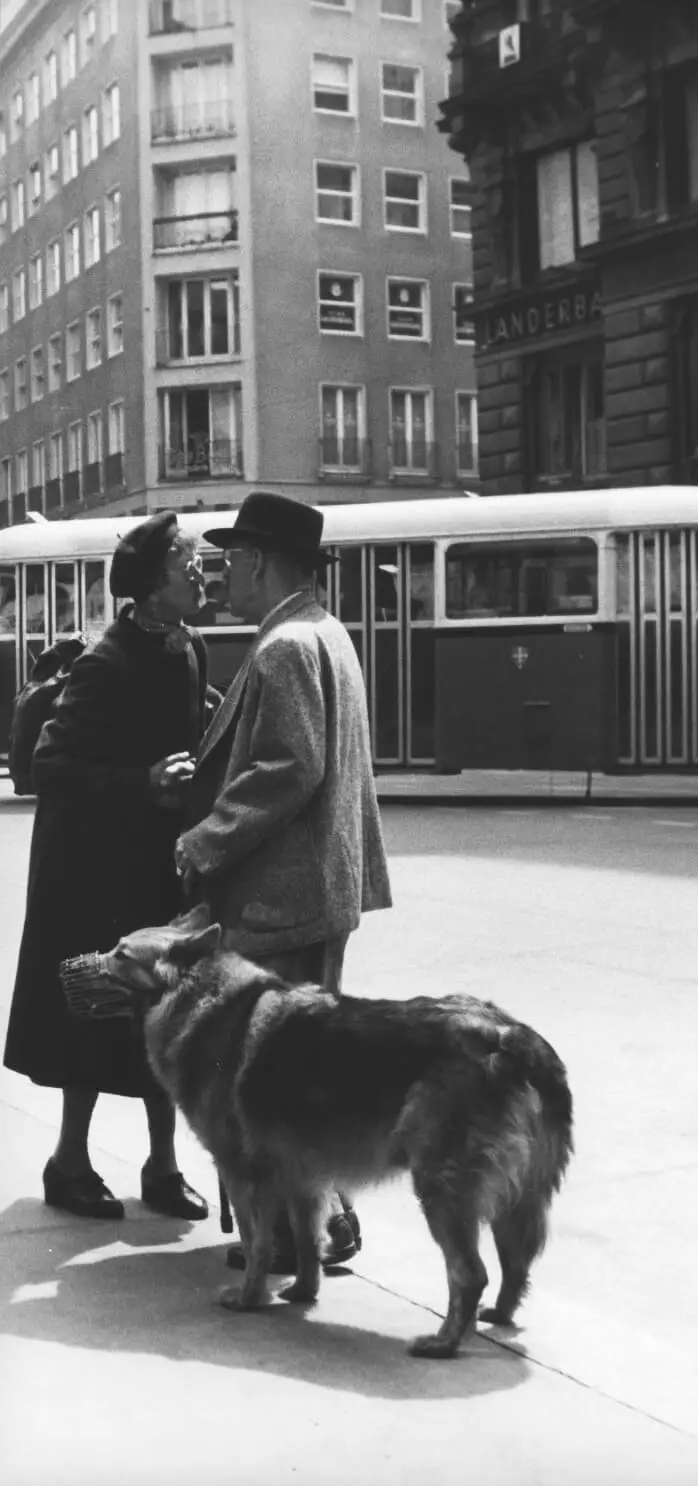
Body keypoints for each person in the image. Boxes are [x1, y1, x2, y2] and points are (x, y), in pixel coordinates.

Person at [174, 492, 392, 1272]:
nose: (223, 574)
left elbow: (287, 769)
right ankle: (325, 1224)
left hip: (281, 899)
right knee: (310, 1071)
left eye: (231, 560)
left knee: (271, 1078)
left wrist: (204, 838)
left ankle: (305, 1232)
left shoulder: (283, 648)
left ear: (259, 563)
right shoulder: (323, 632)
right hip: (322, 890)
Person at [4, 513, 211, 1222]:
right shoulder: (107, 660)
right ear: (154, 584)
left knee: (165, 1013)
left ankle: (162, 1164)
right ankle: (69, 1162)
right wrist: (143, 781)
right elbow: (49, 766)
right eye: (189, 561)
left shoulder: (190, 648)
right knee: (90, 1019)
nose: (201, 571)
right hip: (91, 872)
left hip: (155, 864)